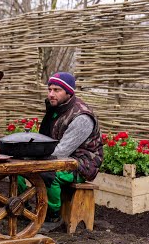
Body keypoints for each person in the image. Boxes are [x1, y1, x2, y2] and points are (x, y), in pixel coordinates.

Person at [37, 72, 103, 232]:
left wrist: (37, 161)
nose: (51, 94)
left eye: (57, 90)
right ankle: (22, 208)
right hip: (63, 157)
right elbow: (45, 138)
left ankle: (53, 216)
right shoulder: (57, 108)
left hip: (81, 164)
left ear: (69, 92)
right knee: (20, 171)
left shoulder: (82, 117)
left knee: (49, 174)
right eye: (50, 89)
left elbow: (61, 151)